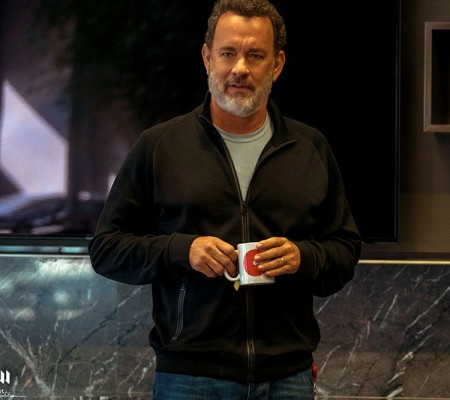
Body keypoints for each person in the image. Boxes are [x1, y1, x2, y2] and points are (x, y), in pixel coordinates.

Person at [88, 0, 361, 398]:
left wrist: (303, 258)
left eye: (256, 56)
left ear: (277, 65)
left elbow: (345, 249)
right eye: (228, 53)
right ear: (207, 58)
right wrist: (182, 250)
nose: (240, 68)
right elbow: (106, 249)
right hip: (189, 379)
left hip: (288, 378)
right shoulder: (159, 146)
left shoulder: (310, 148)